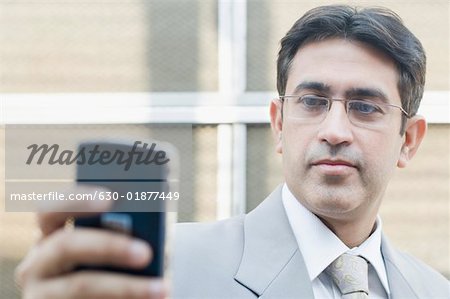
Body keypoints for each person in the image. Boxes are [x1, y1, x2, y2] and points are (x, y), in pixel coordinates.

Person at [16, 5, 449, 299]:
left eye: (365, 107)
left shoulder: (435, 290)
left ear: (408, 140)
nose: (334, 130)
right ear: (279, 125)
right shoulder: (164, 270)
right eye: (313, 102)